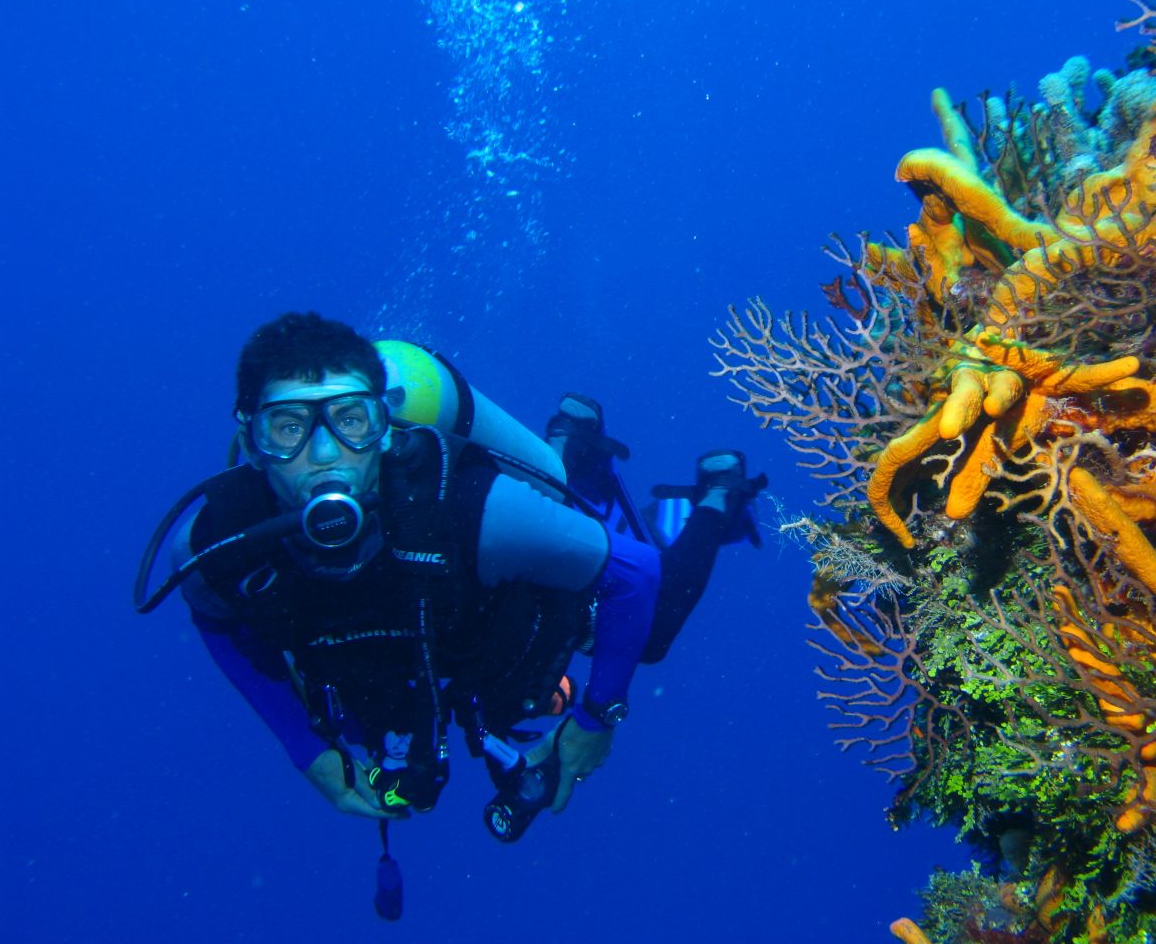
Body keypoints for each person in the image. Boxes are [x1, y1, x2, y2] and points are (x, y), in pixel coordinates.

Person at [136, 312, 765, 872]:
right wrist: (308, 753)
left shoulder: (474, 516)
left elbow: (635, 575)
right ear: (250, 441)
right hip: (435, 661)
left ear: (384, 428)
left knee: (647, 635)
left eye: (350, 420)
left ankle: (715, 495)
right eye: (288, 427)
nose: (324, 454)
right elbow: (219, 623)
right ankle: (569, 445)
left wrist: (595, 720)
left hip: (517, 601)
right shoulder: (214, 550)